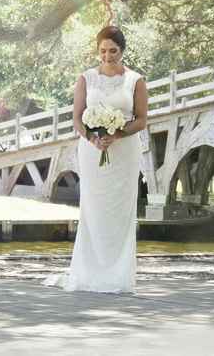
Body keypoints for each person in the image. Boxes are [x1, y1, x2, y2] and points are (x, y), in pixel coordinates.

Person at [43, 26, 148, 293]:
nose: (107, 55)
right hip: (92, 152)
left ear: (122, 51)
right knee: (93, 208)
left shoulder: (135, 80)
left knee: (120, 211)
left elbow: (142, 120)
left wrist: (118, 133)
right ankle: (89, 273)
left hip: (124, 152)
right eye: (103, 50)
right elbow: (78, 118)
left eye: (113, 50)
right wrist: (93, 138)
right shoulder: (86, 78)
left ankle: (118, 275)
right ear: (97, 50)